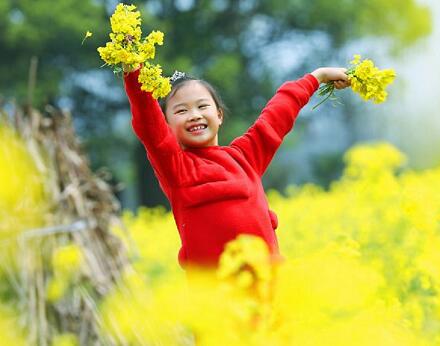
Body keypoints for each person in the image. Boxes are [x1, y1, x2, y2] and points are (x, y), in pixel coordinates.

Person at [123, 64, 350, 272]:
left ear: (219, 115)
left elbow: (277, 114)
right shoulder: (176, 168)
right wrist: (133, 71)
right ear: (167, 125)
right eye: (181, 111)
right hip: (217, 302)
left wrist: (317, 76)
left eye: (202, 106)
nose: (194, 115)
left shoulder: (245, 157)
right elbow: (146, 118)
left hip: (271, 290)